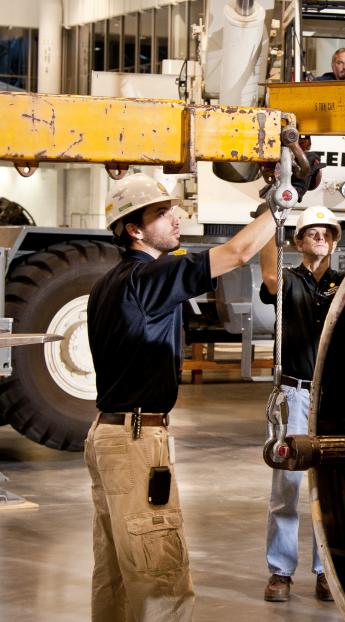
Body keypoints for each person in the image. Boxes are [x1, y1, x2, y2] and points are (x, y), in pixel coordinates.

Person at [85, 173, 280, 622]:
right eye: (160, 213)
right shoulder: (148, 278)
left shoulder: (109, 283)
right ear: (134, 230)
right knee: (161, 575)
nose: (176, 217)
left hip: (108, 435)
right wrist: (283, 202)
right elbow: (236, 253)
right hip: (136, 440)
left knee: (114, 574)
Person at [261, 203, 345, 603]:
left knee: (327, 483)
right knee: (288, 485)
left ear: (334, 242)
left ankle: (324, 570)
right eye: (312, 232)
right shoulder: (287, 280)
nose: (321, 237)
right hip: (293, 394)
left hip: (330, 397)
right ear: (298, 240)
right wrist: (269, 216)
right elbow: (267, 270)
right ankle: (280, 572)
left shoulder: (339, 285)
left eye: (328, 233)